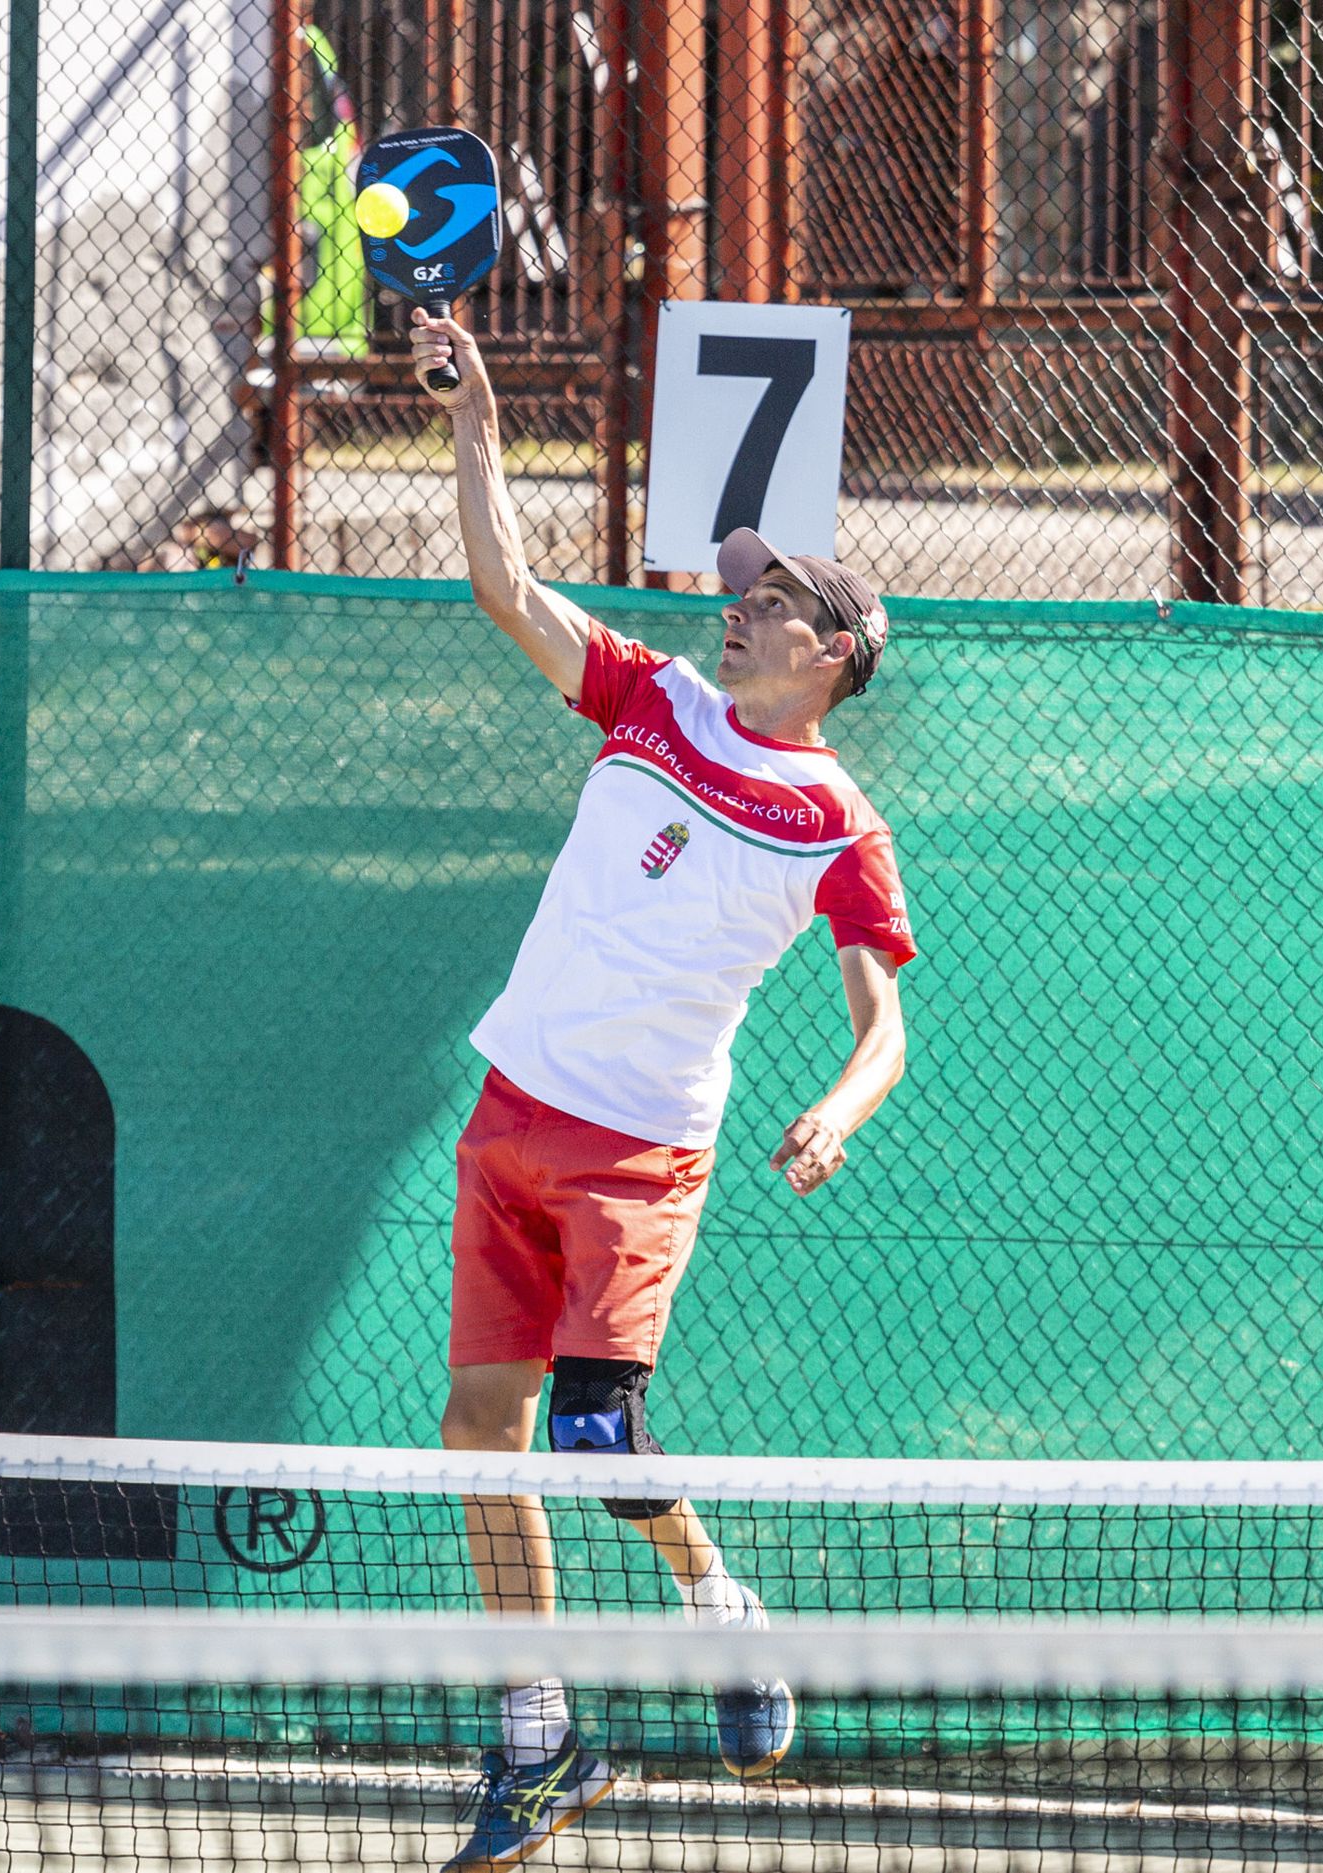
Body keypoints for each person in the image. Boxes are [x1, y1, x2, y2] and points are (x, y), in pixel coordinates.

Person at [412, 307, 915, 1870]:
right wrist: (476, 418)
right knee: (475, 1430)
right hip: (515, 1113)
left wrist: (841, 1101)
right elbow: (504, 588)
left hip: (641, 1148)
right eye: (742, 590)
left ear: (830, 650)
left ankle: (717, 1605)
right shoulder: (650, 698)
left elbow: (883, 1016)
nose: (740, 611)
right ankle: (538, 1733)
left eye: (770, 600)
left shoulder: (838, 818)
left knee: (593, 1438)